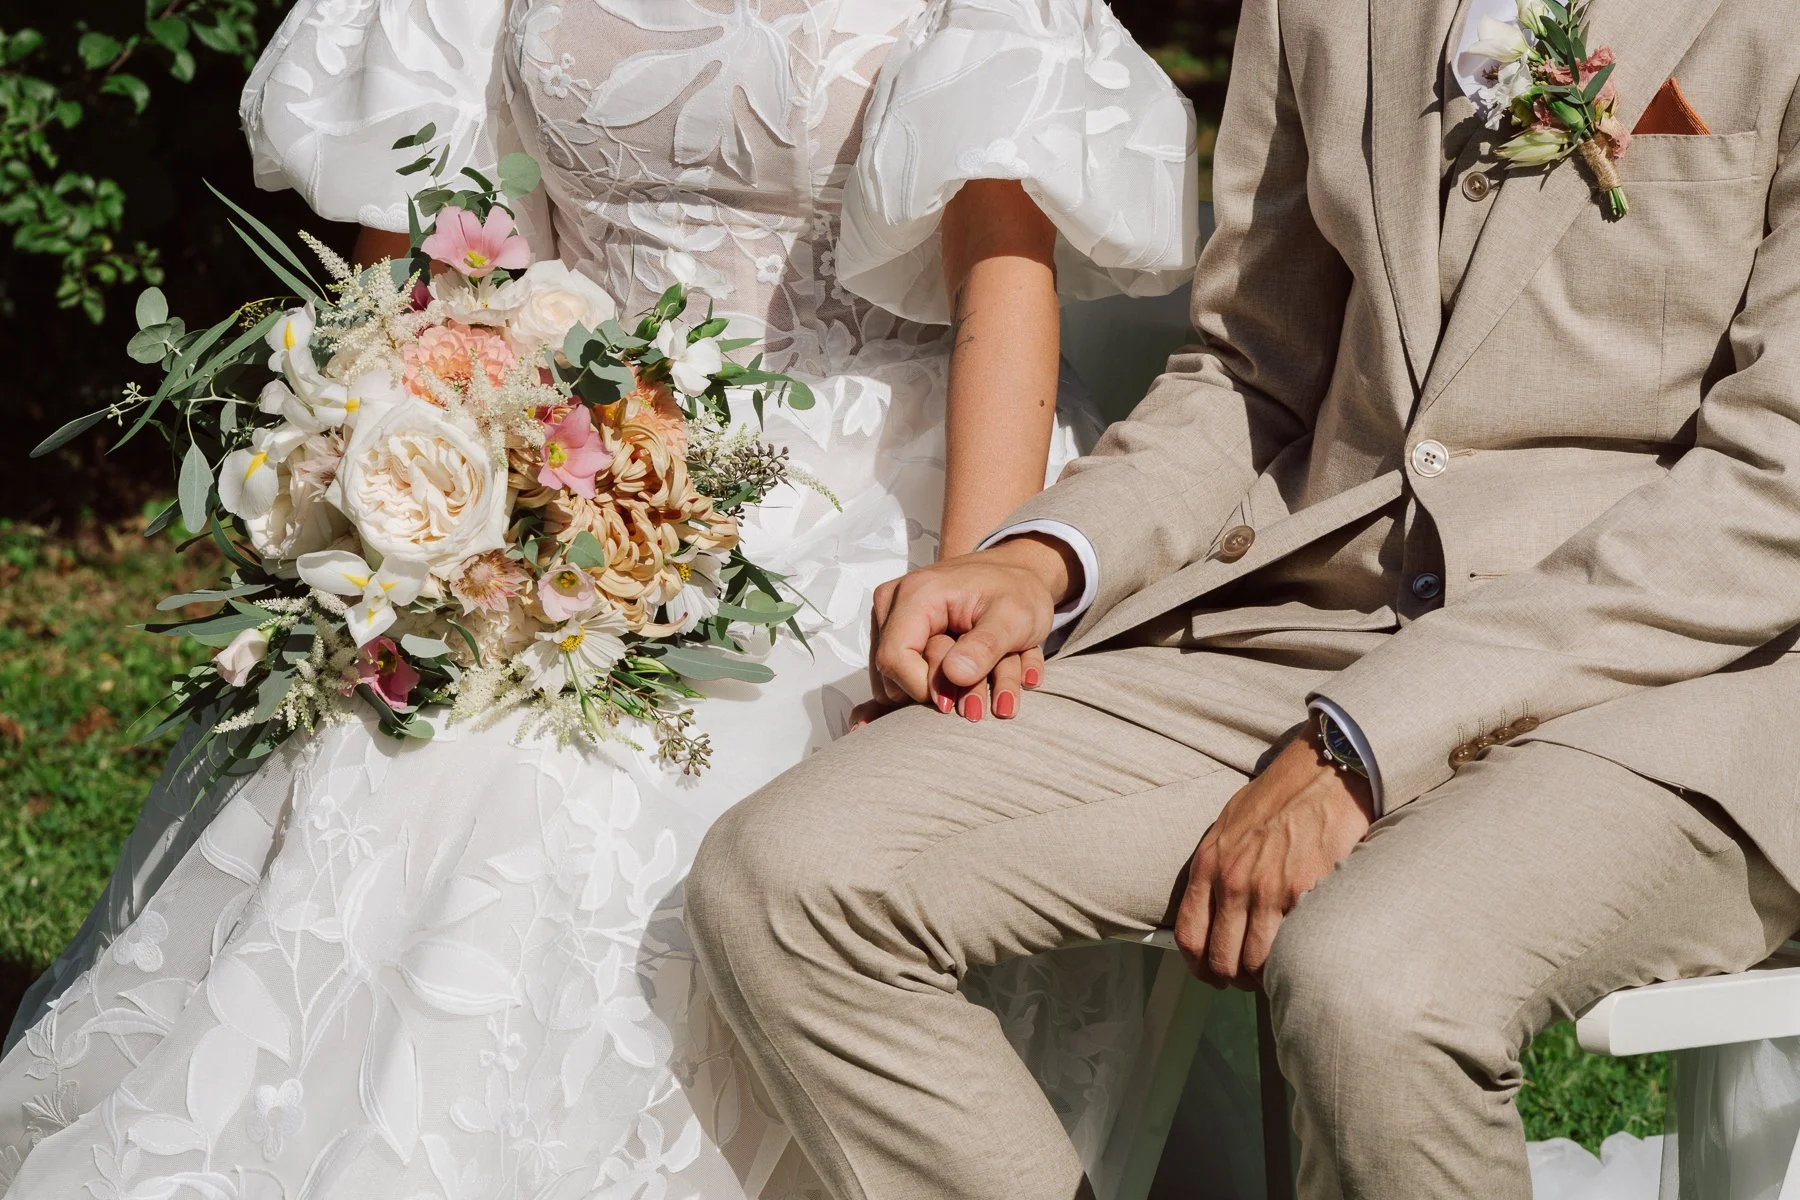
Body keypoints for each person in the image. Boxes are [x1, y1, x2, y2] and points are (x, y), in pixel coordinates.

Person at [0, 2, 1203, 1196]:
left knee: (592, 795)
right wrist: (398, 461)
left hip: (876, 480)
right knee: (390, 741)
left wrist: (974, 580)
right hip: (559, 441)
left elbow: (1004, 286)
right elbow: (428, 254)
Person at [683, 0, 1800, 1197]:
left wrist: (1362, 743)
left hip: (1669, 677)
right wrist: (1040, 558)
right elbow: (1251, 373)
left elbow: (1771, 489)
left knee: (1372, 989)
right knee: (792, 877)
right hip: (1310, 632)